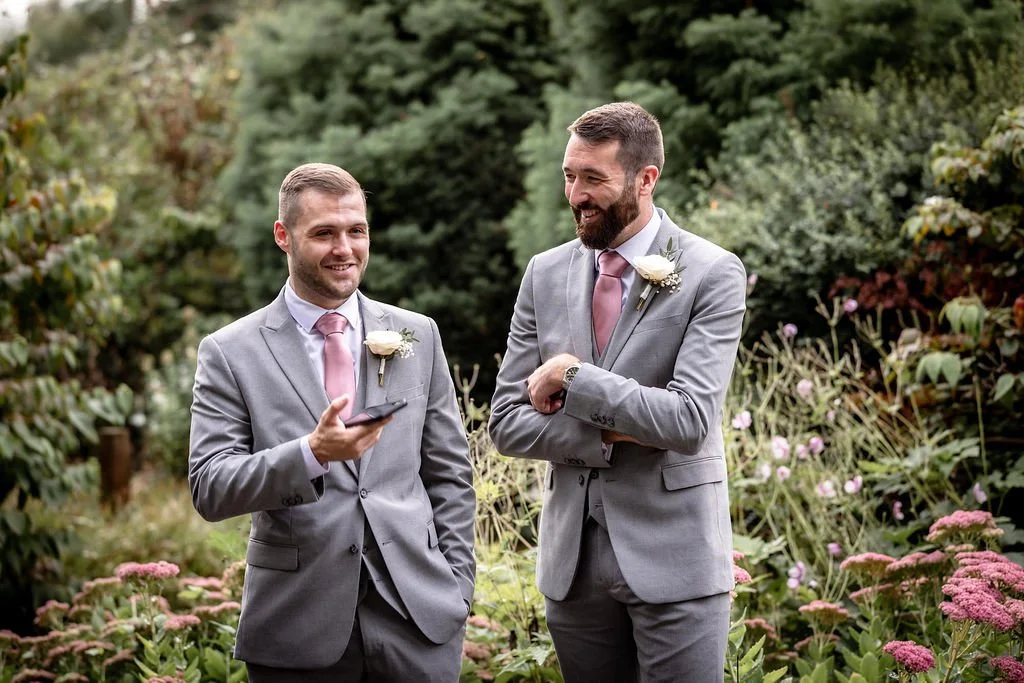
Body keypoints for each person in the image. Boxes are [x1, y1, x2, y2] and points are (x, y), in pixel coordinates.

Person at [488, 102, 746, 683]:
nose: (576, 194)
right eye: (569, 175)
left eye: (594, 179)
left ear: (645, 179)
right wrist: (610, 428)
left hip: (675, 557)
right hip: (572, 568)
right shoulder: (544, 273)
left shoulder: (711, 272)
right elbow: (505, 423)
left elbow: (687, 421)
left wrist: (572, 378)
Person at [189, 162, 475, 682]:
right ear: (284, 236)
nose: (345, 248)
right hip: (297, 627)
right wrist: (311, 454)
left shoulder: (419, 335)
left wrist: (458, 589)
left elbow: (450, 475)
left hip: (420, 622)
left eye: (356, 231)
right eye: (324, 233)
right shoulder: (230, 352)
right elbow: (211, 487)